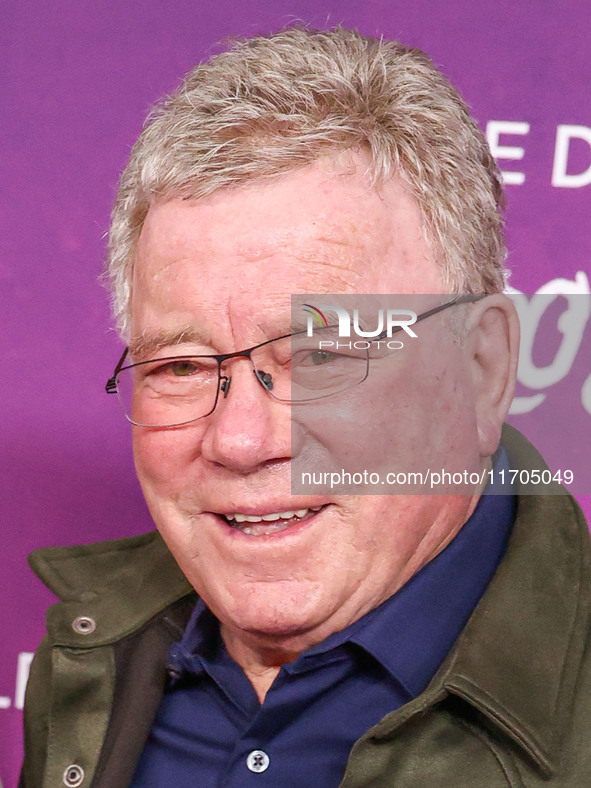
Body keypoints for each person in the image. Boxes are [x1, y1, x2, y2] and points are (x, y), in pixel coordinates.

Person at [21, 27, 591, 788]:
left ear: (480, 367)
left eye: (320, 355)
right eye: (184, 365)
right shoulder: (90, 661)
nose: (240, 439)